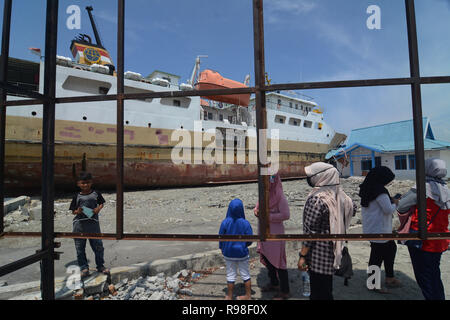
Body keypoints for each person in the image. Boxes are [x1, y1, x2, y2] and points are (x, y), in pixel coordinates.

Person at [298, 162, 355, 300]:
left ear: (321, 177)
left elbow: (310, 233)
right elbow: (353, 209)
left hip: (318, 256)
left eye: (311, 176)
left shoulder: (317, 200)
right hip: (334, 253)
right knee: (326, 289)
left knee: (318, 293)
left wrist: (302, 256)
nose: (309, 179)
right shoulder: (342, 197)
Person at [397, 158, 450, 300]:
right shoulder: (446, 189)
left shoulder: (421, 188)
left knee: (424, 278)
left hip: (422, 240)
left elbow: (401, 206)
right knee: (434, 274)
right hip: (440, 239)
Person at [359, 166, 402, 293]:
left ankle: (389, 277)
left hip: (373, 228)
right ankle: (373, 284)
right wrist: (396, 203)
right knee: (377, 257)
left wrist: (391, 201)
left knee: (390, 249)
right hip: (380, 229)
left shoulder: (368, 187)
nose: (388, 182)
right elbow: (388, 209)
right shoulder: (380, 190)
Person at [254, 173, 290, 300]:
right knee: (268, 260)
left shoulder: (280, 198)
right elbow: (257, 207)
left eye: (268, 180)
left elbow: (286, 215)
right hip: (264, 233)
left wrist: (268, 217)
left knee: (279, 263)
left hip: (275, 234)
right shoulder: (263, 195)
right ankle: (274, 283)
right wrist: (256, 211)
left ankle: (285, 291)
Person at [69, 172, 108, 278]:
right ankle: (84, 268)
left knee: (98, 247)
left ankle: (100, 266)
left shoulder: (96, 193)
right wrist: (79, 211)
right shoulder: (76, 196)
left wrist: (98, 209)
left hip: (93, 225)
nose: (85, 185)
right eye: (83, 183)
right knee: (80, 248)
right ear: (78, 184)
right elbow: (73, 211)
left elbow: (101, 203)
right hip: (79, 226)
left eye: (87, 183)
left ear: (91, 183)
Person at [219, 199, 253, 300]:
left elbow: (221, 237)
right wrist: (245, 245)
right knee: (245, 274)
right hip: (242, 253)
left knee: (230, 275)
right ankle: (248, 295)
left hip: (229, 253)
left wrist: (222, 247)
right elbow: (250, 239)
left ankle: (229, 296)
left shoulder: (225, 222)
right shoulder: (245, 223)